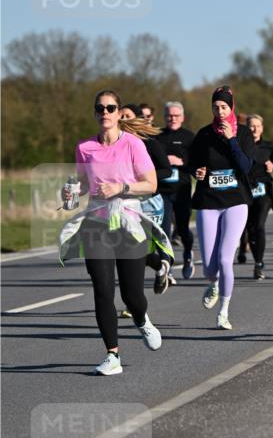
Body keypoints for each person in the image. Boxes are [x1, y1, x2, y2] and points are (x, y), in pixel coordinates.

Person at [58, 90, 172, 376]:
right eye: (100, 108)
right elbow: (83, 184)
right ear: (95, 113)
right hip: (97, 225)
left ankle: (142, 319)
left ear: (119, 113)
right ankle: (112, 354)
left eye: (110, 108)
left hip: (129, 223)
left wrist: (121, 188)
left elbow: (151, 184)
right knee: (102, 290)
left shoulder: (133, 144)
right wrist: (70, 193)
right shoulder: (84, 147)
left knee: (132, 296)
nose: (105, 112)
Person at [189, 86, 256, 329]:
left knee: (225, 259)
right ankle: (213, 283)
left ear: (232, 107)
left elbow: (246, 166)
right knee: (209, 267)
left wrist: (232, 140)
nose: (220, 111)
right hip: (208, 201)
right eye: (216, 107)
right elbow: (192, 163)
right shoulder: (204, 134)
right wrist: (196, 171)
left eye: (224, 107)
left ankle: (224, 312)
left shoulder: (244, 133)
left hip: (236, 201)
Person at [118, 104, 175, 304]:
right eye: (120, 115)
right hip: (126, 202)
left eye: (127, 115)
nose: (122, 118)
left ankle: (134, 302)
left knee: (139, 250)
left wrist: (143, 178)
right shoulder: (114, 145)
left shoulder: (149, 142)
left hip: (149, 202)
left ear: (136, 118)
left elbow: (166, 170)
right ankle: (160, 267)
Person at [158, 101, 195, 280]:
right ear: (164, 117)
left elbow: (196, 163)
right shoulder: (157, 136)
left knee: (182, 229)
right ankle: (167, 266)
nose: (172, 118)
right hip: (162, 190)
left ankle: (188, 254)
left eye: (176, 116)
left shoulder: (189, 137)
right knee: (163, 230)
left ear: (182, 117)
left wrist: (182, 162)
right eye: (169, 115)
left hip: (182, 190)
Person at [245, 114, 273, 280]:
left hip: (263, 190)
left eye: (258, 126)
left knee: (259, 225)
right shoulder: (241, 146)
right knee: (250, 229)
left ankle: (258, 263)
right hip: (245, 191)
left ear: (262, 128)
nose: (255, 129)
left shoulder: (268, 146)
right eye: (251, 126)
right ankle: (256, 259)